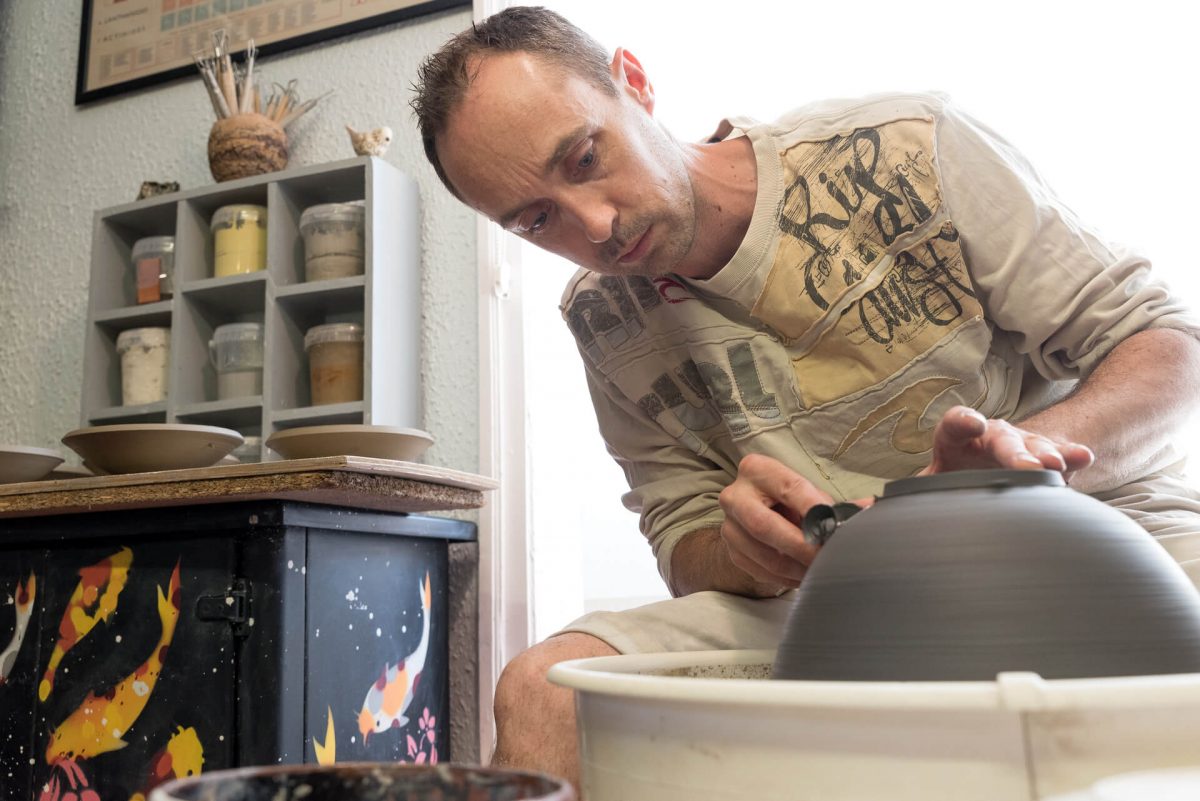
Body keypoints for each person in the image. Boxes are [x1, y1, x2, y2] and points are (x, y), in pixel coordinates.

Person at [411, 5, 1200, 790]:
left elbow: (1166, 344)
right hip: (841, 592)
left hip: (1103, 532)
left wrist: (1016, 466)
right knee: (545, 687)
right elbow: (684, 533)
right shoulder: (602, 313)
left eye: (584, 157)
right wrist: (744, 550)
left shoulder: (908, 148)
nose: (597, 225)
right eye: (537, 219)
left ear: (636, 83)